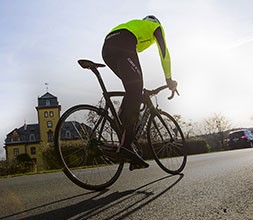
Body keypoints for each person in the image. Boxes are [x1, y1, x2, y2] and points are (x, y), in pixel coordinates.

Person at [102, 15, 177, 171]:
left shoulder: (137, 26)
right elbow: (164, 53)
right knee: (136, 89)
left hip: (107, 46)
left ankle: (123, 127)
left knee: (132, 90)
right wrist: (169, 79)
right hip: (123, 42)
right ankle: (127, 145)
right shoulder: (155, 27)